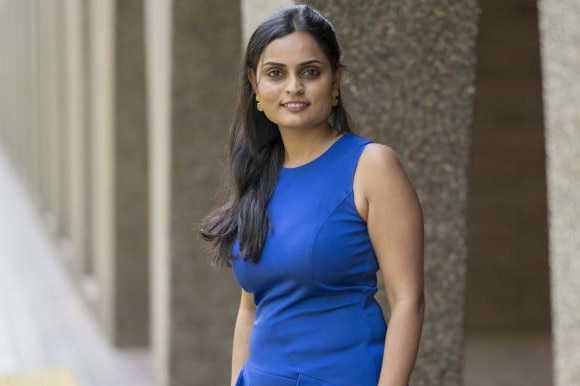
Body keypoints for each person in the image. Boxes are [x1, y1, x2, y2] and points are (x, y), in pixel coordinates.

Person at [200, 5, 424, 386]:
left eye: (310, 72)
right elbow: (250, 307)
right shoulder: (257, 174)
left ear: (335, 80)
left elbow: (408, 302)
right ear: (255, 85)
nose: (293, 87)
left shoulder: (372, 166)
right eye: (276, 74)